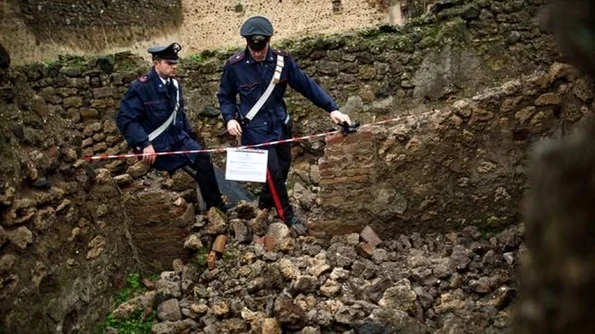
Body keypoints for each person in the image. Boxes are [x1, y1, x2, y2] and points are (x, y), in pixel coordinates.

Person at [217, 16, 352, 236]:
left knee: (283, 167)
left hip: (280, 125)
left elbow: (307, 86)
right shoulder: (235, 66)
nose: (258, 53)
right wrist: (230, 118)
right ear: (248, 44)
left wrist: (332, 109)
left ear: (269, 41)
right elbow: (225, 96)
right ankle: (286, 215)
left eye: (262, 48)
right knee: (274, 174)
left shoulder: (282, 61)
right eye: (254, 48)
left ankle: (264, 204)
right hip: (256, 131)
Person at [117, 43, 227, 211]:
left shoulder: (174, 86)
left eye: (175, 62)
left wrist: (191, 139)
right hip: (157, 145)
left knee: (203, 158)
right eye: (169, 63)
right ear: (156, 63)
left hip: (178, 140)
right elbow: (126, 119)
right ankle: (207, 207)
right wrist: (144, 144)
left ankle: (216, 208)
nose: (174, 66)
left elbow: (180, 115)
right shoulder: (141, 88)